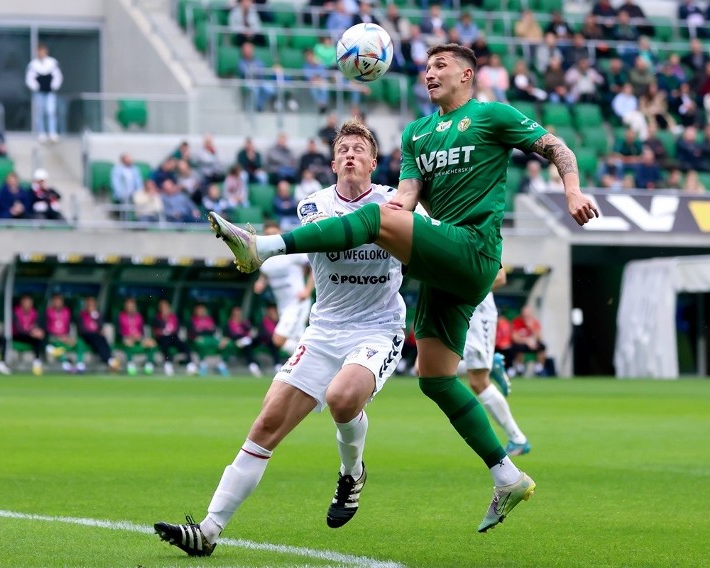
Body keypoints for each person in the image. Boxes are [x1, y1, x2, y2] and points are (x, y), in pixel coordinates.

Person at [207, 43, 597, 534]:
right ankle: (508, 476)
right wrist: (379, 225)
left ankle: (263, 248)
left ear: (467, 74)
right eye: (427, 66)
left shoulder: (493, 115)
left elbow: (557, 148)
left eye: (441, 66)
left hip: (473, 246)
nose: (430, 73)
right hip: (439, 267)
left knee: (377, 214)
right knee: (434, 377)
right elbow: (406, 202)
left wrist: (573, 190)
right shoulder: (416, 134)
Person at [155, 119, 407, 556]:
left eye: (359, 149)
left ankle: (353, 474)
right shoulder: (313, 205)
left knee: (344, 398)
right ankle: (209, 530)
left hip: (377, 327)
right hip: (325, 329)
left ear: (373, 161)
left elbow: (405, 234)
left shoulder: (396, 202)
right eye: (343, 149)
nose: (350, 154)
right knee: (266, 425)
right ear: (332, 163)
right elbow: (340, 236)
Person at [463, 268, 531, 457]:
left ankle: (517, 438)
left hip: (477, 311)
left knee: (478, 381)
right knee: (425, 369)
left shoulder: (482, 237)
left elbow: (500, 277)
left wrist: (461, 290)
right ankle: (488, 365)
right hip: (451, 307)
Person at [253, 220, 312, 354]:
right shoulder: (264, 257)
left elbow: (314, 268)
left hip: (297, 302)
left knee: (278, 340)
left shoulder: (291, 252)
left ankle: (310, 360)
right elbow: (264, 276)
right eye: (268, 234)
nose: (271, 237)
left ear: (280, 234)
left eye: (274, 234)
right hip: (283, 306)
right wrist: (260, 283)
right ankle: (309, 366)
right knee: (299, 341)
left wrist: (307, 290)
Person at [25, 43, 63, 142]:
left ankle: (52, 132)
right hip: (39, 93)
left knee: (50, 112)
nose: (40, 53)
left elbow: (58, 77)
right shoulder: (33, 64)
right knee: (39, 112)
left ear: (46, 51)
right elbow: (29, 79)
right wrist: (36, 87)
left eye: (42, 51)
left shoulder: (52, 63)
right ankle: (41, 132)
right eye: (39, 51)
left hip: (49, 92)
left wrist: (53, 86)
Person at [152, 299, 197, 376]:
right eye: (162, 307)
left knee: (184, 345)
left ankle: (190, 365)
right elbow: (155, 330)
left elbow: (177, 328)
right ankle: (168, 364)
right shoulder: (157, 318)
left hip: (173, 336)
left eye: (166, 307)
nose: (164, 309)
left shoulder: (173, 317)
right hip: (162, 338)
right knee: (165, 345)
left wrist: (171, 330)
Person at [77, 296, 120, 372]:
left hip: (96, 336)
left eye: (93, 305)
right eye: (89, 305)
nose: (91, 307)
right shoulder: (82, 315)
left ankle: (110, 358)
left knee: (102, 338)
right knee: (96, 337)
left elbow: (101, 326)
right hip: (86, 336)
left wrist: (95, 317)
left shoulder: (97, 315)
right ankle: (108, 360)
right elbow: (82, 329)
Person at [118, 297, 158, 375]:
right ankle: (130, 364)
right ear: (125, 307)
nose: (131, 308)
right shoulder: (121, 316)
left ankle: (149, 364)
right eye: (129, 306)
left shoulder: (139, 317)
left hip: (138, 338)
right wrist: (128, 336)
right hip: (126, 338)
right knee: (128, 342)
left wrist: (139, 337)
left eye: (132, 306)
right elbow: (118, 332)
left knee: (151, 343)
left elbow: (142, 332)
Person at [188, 303, 229, 376]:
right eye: (199, 310)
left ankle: (220, 363)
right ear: (195, 311)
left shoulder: (209, 319)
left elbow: (212, 331)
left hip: (211, 338)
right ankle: (204, 363)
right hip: (198, 340)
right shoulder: (192, 320)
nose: (201, 311)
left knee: (225, 344)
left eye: (203, 309)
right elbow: (194, 332)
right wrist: (204, 331)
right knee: (200, 343)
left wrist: (202, 330)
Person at [12, 295, 47, 375]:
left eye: (29, 302)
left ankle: (36, 362)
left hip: (31, 337)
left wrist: (37, 331)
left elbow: (36, 325)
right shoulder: (16, 312)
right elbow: (19, 329)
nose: (28, 304)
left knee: (39, 337)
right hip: (17, 336)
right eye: (26, 302)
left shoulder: (34, 312)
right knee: (36, 337)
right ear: (22, 303)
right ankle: (49, 349)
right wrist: (31, 333)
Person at [511, 306, 549, 376]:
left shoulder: (534, 322)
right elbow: (515, 338)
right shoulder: (517, 322)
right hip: (522, 343)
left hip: (532, 344)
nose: (526, 317)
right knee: (519, 348)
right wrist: (527, 341)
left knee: (542, 346)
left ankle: (539, 369)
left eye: (528, 314)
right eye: (524, 314)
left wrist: (532, 328)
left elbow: (539, 337)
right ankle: (520, 369)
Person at [46, 293, 79, 373]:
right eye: (56, 301)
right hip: (53, 337)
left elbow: (70, 326)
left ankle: (79, 364)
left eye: (59, 301)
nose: (57, 303)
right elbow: (46, 328)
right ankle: (66, 363)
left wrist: (69, 337)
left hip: (65, 337)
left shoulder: (67, 312)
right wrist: (59, 337)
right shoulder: (48, 312)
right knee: (57, 344)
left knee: (79, 343)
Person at [224, 305, 261, 376]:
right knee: (246, 343)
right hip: (236, 343)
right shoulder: (230, 324)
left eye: (239, 314)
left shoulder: (244, 323)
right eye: (236, 314)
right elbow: (232, 335)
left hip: (248, 342)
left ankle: (253, 365)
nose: (238, 315)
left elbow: (251, 331)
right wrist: (242, 335)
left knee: (249, 342)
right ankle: (253, 365)